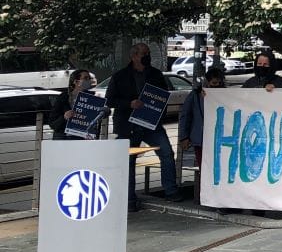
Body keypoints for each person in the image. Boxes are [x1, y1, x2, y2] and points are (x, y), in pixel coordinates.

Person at [105, 42, 181, 209]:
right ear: (134, 56)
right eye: (143, 54)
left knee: (167, 153)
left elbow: (162, 96)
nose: (147, 57)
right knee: (128, 161)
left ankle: (171, 191)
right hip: (128, 125)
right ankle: (129, 199)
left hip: (151, 124)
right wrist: (129, 104)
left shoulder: (155, 74)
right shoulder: (119, 76)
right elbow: (110, 100)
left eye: (148, 53)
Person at [178, 65, 225, 173]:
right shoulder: (195, 95)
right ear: (207, 82)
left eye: (219, 83)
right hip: (201, 139)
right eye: (214, 83)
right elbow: (186, 115)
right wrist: (184, 137)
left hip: (217, 138)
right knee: (204, 169)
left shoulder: (225, 95)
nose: (217, 86)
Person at [50, 69, 96, 140]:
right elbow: (52, 123)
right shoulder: (64, 97)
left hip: (84, 139)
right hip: (64, 139)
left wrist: (105, 112)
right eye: (85, 78)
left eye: (90, 78)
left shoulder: (93, 98)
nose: (89, 80)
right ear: (76, 82)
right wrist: (64, 117)